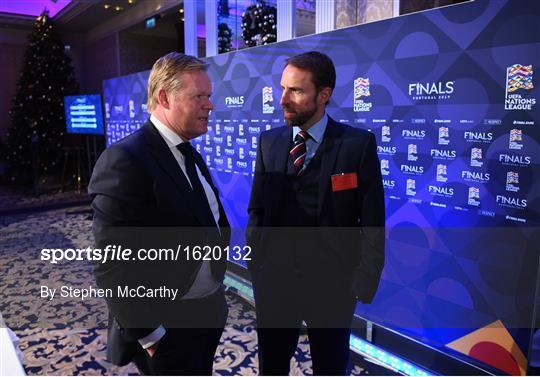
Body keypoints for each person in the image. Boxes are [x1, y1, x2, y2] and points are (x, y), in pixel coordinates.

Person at [89, 52, 230, 375]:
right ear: (164, 97)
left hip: (207, 313)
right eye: (199, 97)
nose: (209, 105)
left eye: (209, 96)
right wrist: (152, 336)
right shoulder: (125, 159)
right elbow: (112, 266)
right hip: (168, 328)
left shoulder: (188, 151)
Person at [246, 51, 385, 375]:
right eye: (283, 88)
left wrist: (363, 280)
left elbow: (373, 220)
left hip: (333, 285)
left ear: (323, 95)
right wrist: (257, 264)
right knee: (273, 364)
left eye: (295, 91)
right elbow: (257, 208)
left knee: (331, 366)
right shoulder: (270, 142)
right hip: (275, 282)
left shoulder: (356, 145)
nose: (283, 99)